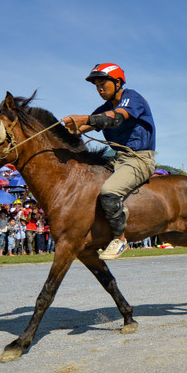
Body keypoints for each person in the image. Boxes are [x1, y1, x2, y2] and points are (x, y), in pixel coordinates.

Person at [62, 63, 157, 260]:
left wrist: (86, 118)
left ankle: (119, 239)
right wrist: (62, 130)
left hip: (139, 159)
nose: (99, 89)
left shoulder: (132, 98)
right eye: (96, 85)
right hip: (117, 159)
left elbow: (114, 120)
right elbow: (79, 130)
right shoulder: (104, 108)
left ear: (118, 81)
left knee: (109, 191)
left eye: (102, 83)